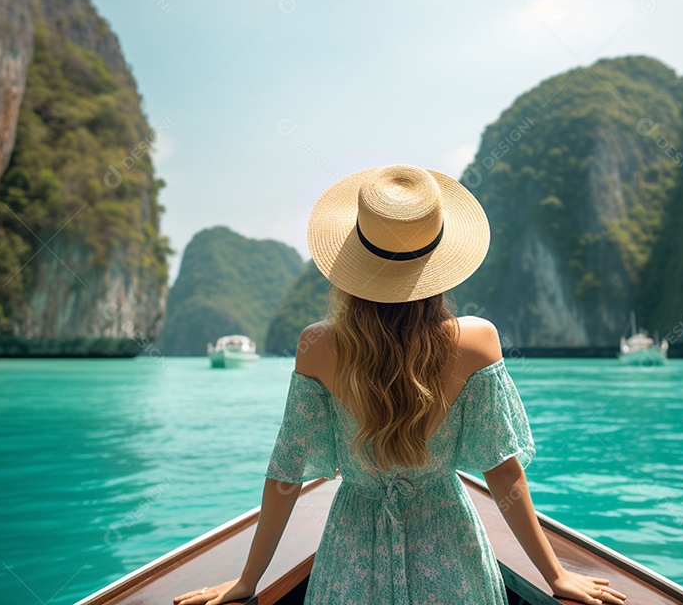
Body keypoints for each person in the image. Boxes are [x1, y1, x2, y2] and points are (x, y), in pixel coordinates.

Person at [174, 165, 628, 605]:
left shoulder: (317, 345)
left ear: (353, 260)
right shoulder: (477, 340)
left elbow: (285, 476)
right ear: (440, 259)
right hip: (450, 550)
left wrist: (248, 580)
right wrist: (557, 575)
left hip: (352, 553)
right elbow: (504, 473)